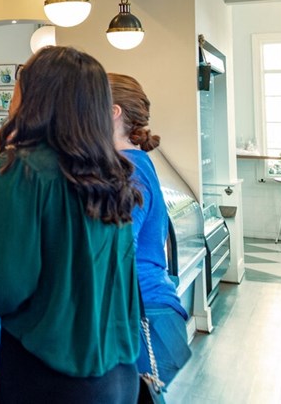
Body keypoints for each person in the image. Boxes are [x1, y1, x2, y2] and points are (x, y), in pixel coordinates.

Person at [0, 46, 142, 403]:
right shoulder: (111, 171)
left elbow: (3, 284)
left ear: (35, 96)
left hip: (50, 375)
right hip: (121, 375)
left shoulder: (17, 168)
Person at [109, 73, 191, 387]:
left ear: (114, 112)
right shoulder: (135, 160)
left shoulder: (127, 168)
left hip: (144, 310)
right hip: (149, 305)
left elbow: (116, 247)